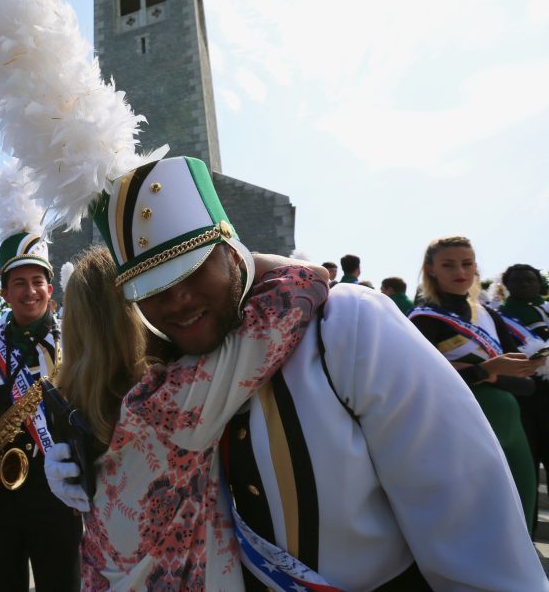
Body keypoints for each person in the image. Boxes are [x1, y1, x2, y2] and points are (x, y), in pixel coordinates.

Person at [46, 157, 546, 590]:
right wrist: (77, 451)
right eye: (153, 288)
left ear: (232, 251)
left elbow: (473, 528)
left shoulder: (348, 325)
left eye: (195, 268)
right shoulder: (171, 378)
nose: (178, 299)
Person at [409, 236, 543, 533]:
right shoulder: (421, 319)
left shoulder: (489, 315)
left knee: (521, 517)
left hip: (511, 426)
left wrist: (488, 372)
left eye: (467, 263)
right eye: (449, 264)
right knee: (475, 522)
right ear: (431, 269)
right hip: (460, 427)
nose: (461, 271)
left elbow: (526, 386)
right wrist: (488, 370)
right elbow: (421, 382)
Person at [0, 230, 82, 591]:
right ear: (5, 293)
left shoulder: (74, 340)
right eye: (19, 283)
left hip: (58, 487)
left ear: (51, 290)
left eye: (38, 281)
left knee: (62, 581)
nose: (30, 291)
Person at [499, 263, 549, 532]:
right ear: (508, 285)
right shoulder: (498, 315)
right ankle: (524, 538)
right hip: (521, 398)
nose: (524, 284)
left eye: (530, 279)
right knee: (524, 473)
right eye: (517, 280)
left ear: (539, 282)